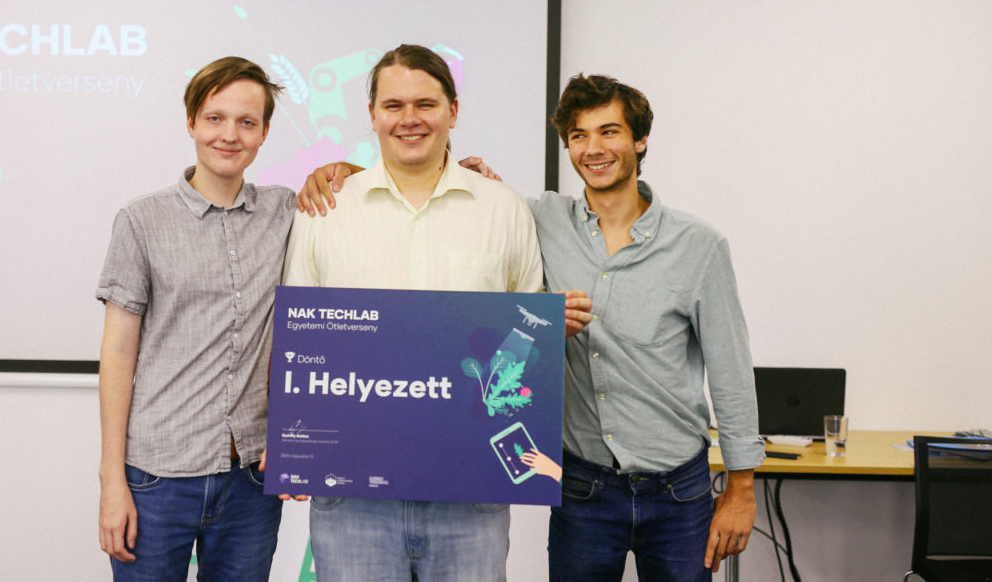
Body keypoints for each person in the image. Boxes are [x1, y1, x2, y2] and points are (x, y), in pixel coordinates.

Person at [300, 73, 763, 580]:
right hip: (582, 487)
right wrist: (355, 174)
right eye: (579, 136)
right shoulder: (537, 217)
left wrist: (741, 489)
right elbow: (426, 181)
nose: (594, 148)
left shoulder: (699, 245)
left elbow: (731, 372)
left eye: (610, 132)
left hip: (680, 488)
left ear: (641, 139)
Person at [283, 43, 591, 582]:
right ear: (372, 115)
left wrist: (548, 326)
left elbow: (527, 343)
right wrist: (296, 448)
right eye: (393, 105)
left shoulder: (503, 209)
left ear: (454, 110)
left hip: (470, 494)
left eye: (425, 104)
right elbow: (300, 344)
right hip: (353, 498)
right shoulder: (325, 210)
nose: (410, 119)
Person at [95, 56, 292, 581]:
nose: (229, 135)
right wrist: (111, 480)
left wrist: (459, 168)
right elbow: (117, 352)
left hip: (250, 481)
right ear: (190, 122)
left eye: (246, 122)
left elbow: (360, 192)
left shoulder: (286, 213)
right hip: (156, 477)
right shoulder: (141, 220)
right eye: (214, 118)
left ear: (264, 133)